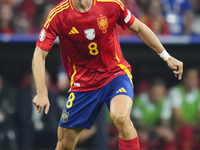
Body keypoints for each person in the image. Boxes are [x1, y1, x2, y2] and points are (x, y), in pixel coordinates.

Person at [31, 0, 183, 149]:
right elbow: (39, 54)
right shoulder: (59, 15)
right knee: (65, 143)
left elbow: (139, 28)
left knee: (121, 117)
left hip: (115, 75)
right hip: (83, 85)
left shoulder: (111, 4)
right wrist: (42, 92)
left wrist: (166, 56)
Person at [16, 72, 58, 150]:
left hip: (45, 126)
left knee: (57, 132)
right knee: (26, 133)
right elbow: (22, 116)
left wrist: (46, 125)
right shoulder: (23, 94)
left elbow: (52, 115)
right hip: (27, 126)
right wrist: (35, 125)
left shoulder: (51, 96)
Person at [132, 78, 175, 150]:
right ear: (149, 91)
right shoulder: (139, 101)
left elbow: (165, 123)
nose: (157, 97)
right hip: (140, 129)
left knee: (169, 135)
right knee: (142, 136)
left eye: (160, 95)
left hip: (156, 129)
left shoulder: (165, 102)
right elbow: (139, 124)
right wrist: (154, 129)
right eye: (155, 94)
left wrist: (161, 129)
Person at [168, 68, 200, 150]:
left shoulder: (198, 94)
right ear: (184, 78)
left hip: (194, 127)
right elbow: (178, 118)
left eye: (194, 78)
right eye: (189, 78)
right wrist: (194, 125)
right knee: (187, 132)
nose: (191, 81)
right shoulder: (176, 92)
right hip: (178, 127)